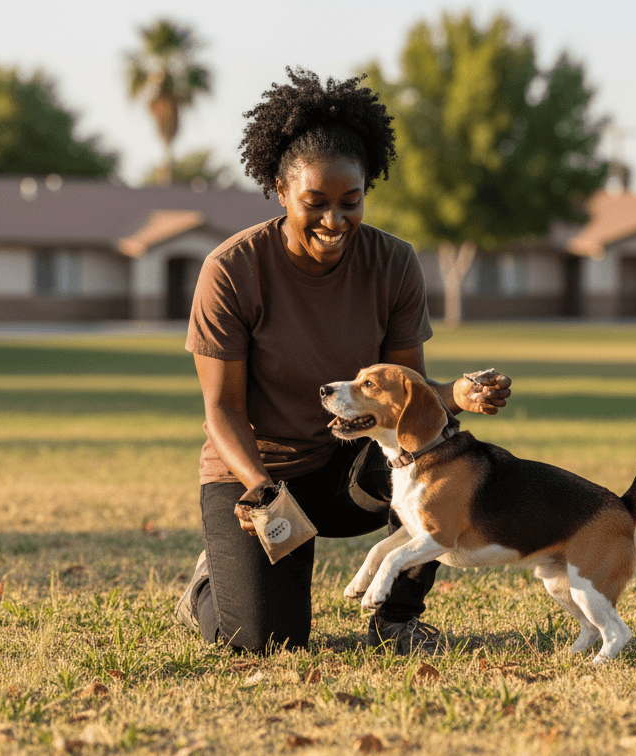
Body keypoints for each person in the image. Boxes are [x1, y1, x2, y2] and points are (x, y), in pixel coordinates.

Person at [175, 68, 511, 654]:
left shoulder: (393, 263)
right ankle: (207, 586)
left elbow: (408, 395)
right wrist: (259, 489)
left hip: (350, 463)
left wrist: (458, 394)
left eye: (350, 202)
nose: (335, 220)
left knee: (441, 455)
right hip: (258, 471)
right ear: (280, 192)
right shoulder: (231, 270)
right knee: (265, 641)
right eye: (316, 203)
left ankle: (397, 617)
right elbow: (221, 409)